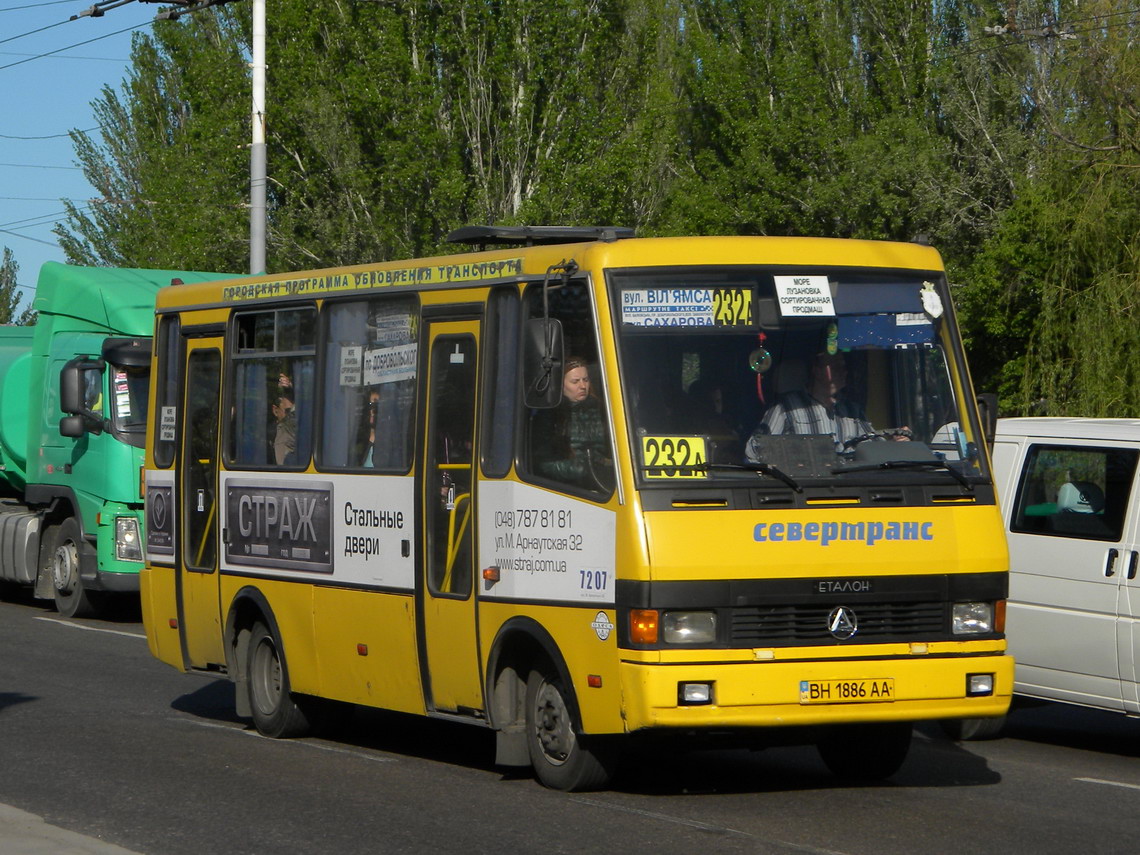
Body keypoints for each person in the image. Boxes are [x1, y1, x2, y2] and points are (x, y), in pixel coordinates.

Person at [746, 351, 907, 461]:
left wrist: (894, 443)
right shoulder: (787, 408)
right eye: (835, 367)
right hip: (804, 494)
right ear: (816, 370)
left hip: (852, 494)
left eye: (844, 367)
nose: (843, 372)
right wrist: (794, 452)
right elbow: (754, 451)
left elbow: (873, 451)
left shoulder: (853, 411)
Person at [532, 356, 610, 488]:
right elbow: (542, 462)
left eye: (585, 380)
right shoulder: (549, 416)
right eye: (575, 382)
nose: (583, 386)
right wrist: (580, 470)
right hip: (566, 488)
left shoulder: (603, 410)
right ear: (560, 385)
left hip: (603, 483)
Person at [271, 389, 297, 465]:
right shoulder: (281, 430)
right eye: (288, 411)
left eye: (295, 412)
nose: (293, 417)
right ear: (275, 410)